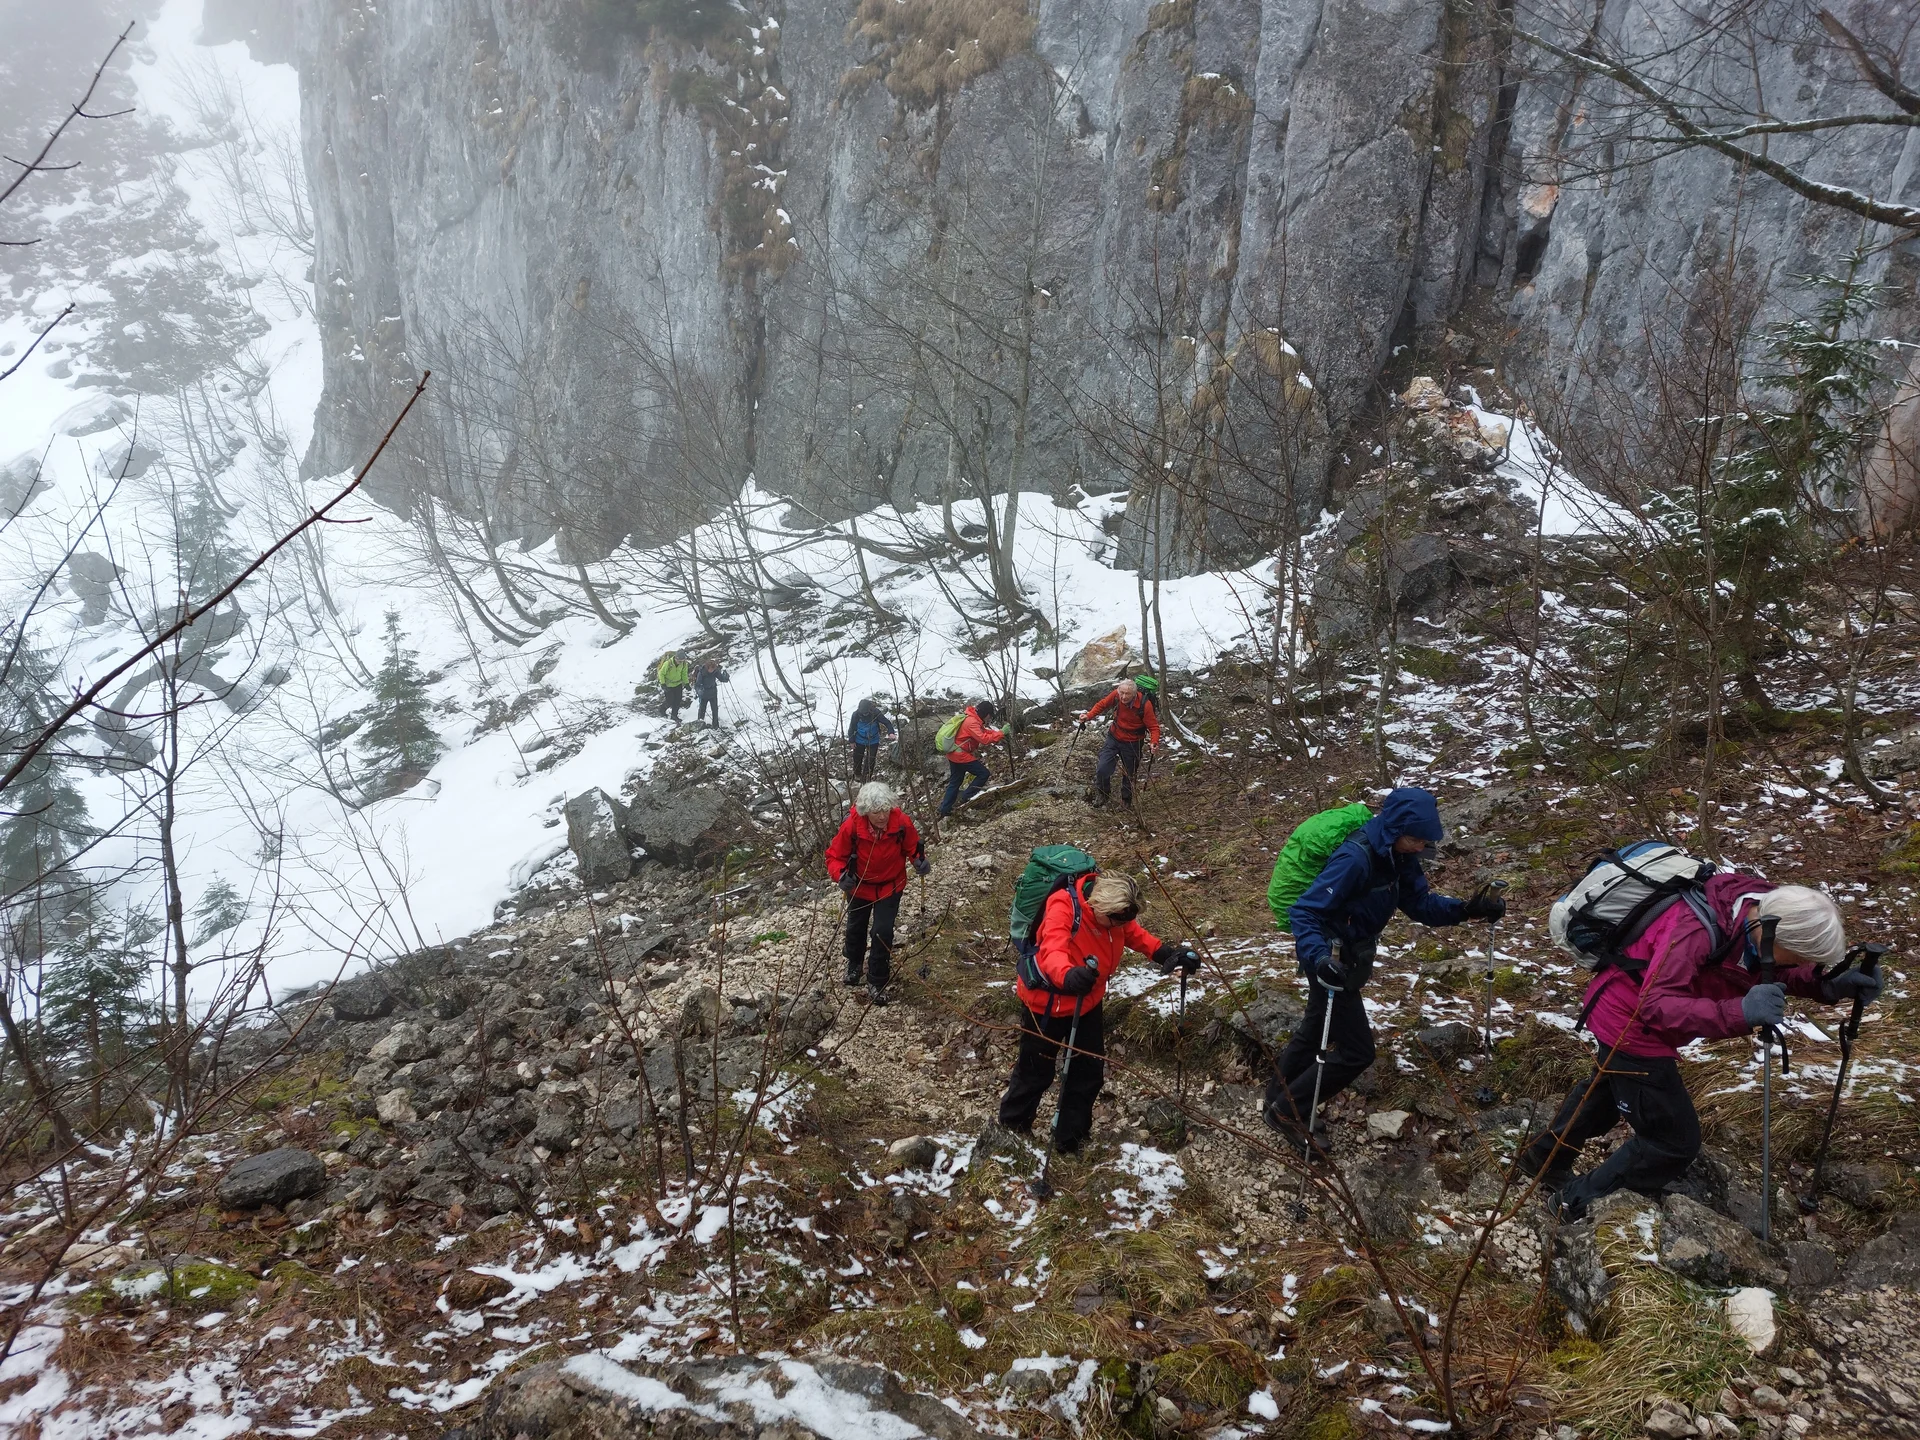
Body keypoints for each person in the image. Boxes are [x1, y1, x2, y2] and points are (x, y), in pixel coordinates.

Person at [1520, 880, 1872, 1220]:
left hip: (1628, 1014)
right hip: (1629, 1023)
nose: (1797, 968)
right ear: (1773, 935)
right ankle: (1573, 1204)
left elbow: (1772, 967)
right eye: (1798, 959)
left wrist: (1828, 987)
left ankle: (1542, 1160)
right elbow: (1657, 1005)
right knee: (1671, 1140)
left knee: (1605, 1097)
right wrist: (1740, 1012)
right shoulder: (1695, 930)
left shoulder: (1760, 915)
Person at [1266, 787, 1498, 1153]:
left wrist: (1466, 910)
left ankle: (1277, 1099)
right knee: (1358, 1052)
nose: (1421, 847)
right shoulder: (1355, 859)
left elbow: (1419, 904)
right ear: (1394, 830)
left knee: (1314, 1029)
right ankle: (1287, 1111)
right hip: (1331, 959)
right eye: (1416, 838)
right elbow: (1305, 912)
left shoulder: (1398, 856)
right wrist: (1319, 959)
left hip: (1352, 955)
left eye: (1425, 840)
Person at [998, 872, 1199, 1153]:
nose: (1122, 924)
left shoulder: (1115, 915)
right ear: (1099, 907)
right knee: (1035, 1073)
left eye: (1125, 919)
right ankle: (1010, 1133)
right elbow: (1052, 947)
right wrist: (1067, 975)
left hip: (1087, 1001)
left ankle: (1071, 1141)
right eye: (1117, 919)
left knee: (1088, 1072)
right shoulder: (1063, 906)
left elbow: (1133, 933)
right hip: (1047, 1003)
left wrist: (1164, 953)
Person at [824, 781, 928, 1005]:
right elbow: (834, 856)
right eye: (875, 812)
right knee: (855, 927)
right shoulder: (852, 827)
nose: (882, 816)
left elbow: (912, 846)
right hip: (859, 886)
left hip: (891, 886)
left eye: (885, 810)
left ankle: (877, 980)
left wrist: (919, 861)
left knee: (882, 932)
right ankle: (854, 964)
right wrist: (840, 875)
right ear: (865, 811)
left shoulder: (901, 823)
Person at [1080, 677, 1160, 807]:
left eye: (1127, 694)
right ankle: (1103, 794)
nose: (1123, 697)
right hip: (1114, 737)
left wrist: (1154, 742)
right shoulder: (1116, 695)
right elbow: (1102, 704)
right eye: (1121, 693)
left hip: (1133, 742)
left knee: (1129, 773)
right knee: (1102, 768)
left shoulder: (1145, 705)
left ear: (1134, 694)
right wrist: (1088, 716)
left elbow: (1153, 727)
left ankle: (1126, 800)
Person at [938, 700, 1004, 817]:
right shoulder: (972, 722)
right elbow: (984, 739)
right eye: (989, 716)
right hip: (960, 755)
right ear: (986, 714)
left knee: (955, 781)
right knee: (983, 773)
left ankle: (944, 809)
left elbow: (984, 731)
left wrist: (998, 733)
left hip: (954, 753)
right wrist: (1001, 734)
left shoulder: (972, 718)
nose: (989, 719)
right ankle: (967, 797)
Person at [846, 698, 898, 782]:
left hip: (873, 739)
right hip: (859, 739)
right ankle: (857, 774)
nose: (865, 714)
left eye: (866, 712)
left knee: (870, 760)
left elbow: (887, 722)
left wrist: (890, 732)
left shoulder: (876, 713)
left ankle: (866, 777)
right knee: (857, 758)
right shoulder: (856, 715)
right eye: (863, 713)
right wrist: (852, 741)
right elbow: (851, 728)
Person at [693, 659, 729, 728]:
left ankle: (715, 725)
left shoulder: (715, 671)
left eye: (713, 669)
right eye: (711, 669)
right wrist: (699, 691)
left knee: (715, 709)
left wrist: (726, 677)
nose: (712, 671)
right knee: (702, 709)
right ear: (707, 668)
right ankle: (699, 724)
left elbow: (722, 679)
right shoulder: (702, 673)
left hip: (713, 692)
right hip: (704, 693)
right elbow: (697, 684)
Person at [656, 651, 690, 722]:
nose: (680, 662)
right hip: (668, 685)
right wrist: (663, 684)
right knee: (670, 700)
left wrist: (686, 683)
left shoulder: (684, 664)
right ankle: (662, 709)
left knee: (677, 700)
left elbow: (684, 674)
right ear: (676, 658)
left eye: (682, 661)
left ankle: (674, 716)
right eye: (679, 661)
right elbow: (661, 674)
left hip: (678, 684)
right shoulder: (668, 663)